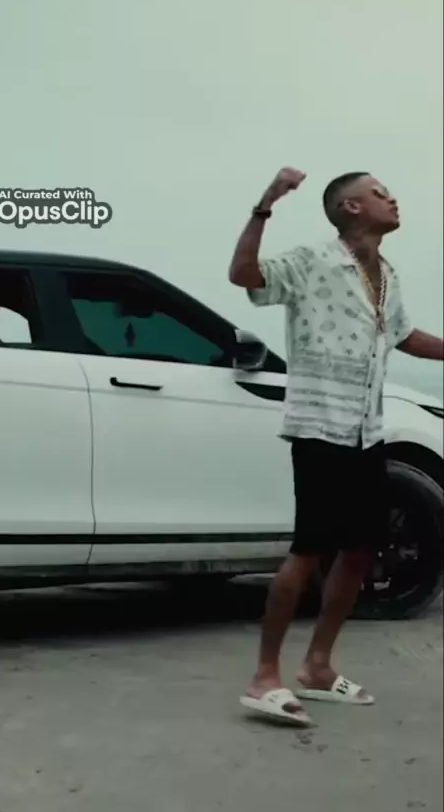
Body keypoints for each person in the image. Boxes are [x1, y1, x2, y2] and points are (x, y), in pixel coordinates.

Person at [229, 168, 444, 727]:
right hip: (319, 427)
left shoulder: (387, 274)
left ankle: (318, 666)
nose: (392, 198)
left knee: (360, 550)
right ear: (350, 207)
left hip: (365, 430)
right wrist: (265, 204)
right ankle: (264, 677)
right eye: (378, 193)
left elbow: (405, 336)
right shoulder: (311, 261)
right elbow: (244, 275)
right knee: (310, 549)